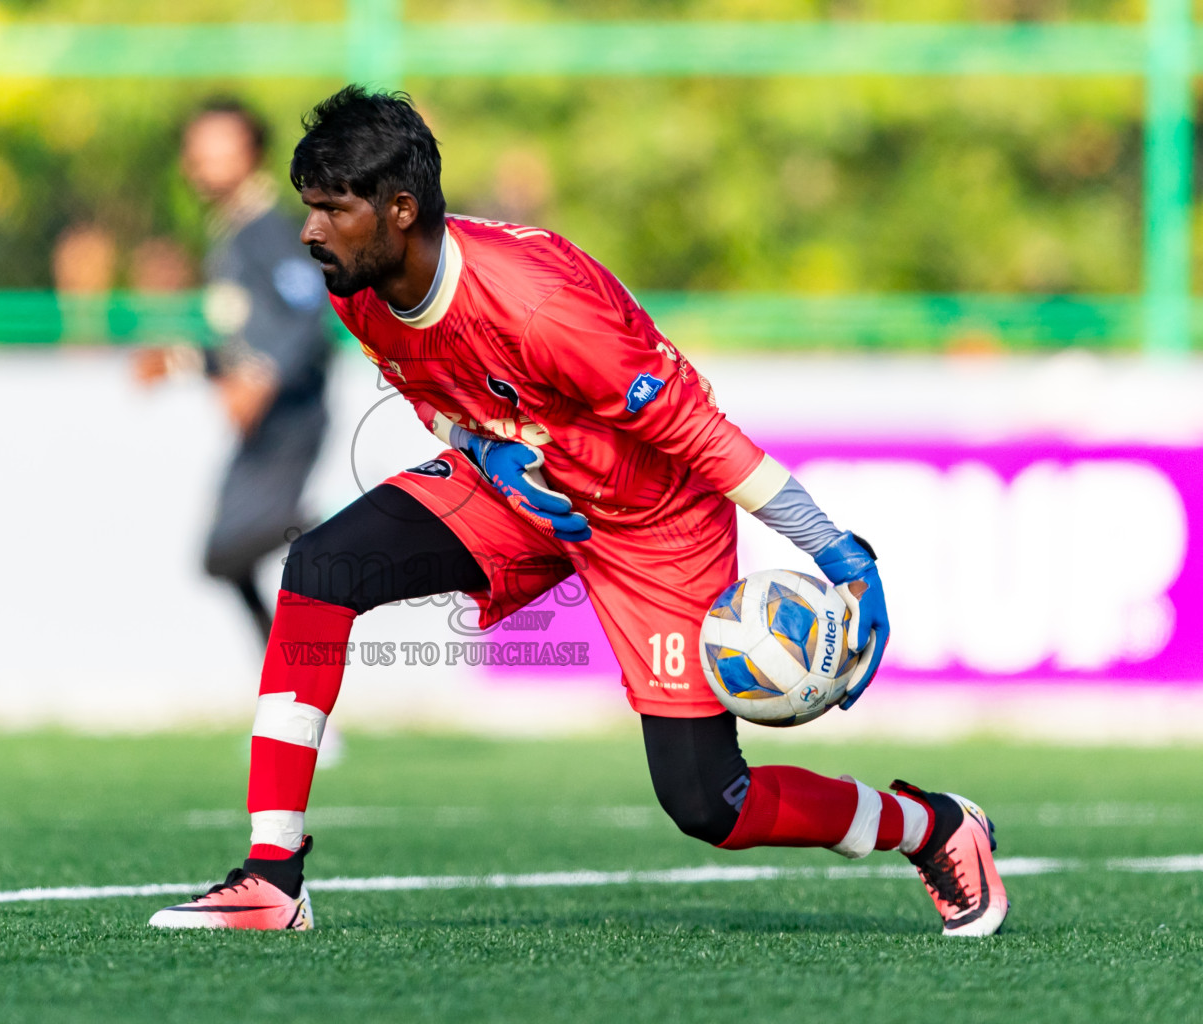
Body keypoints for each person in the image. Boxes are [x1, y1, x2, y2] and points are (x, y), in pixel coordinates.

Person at [147, 86, 1009, 937]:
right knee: (319, 571)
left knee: (711, 804)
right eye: (308, 208)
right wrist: (485, 452)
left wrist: (840, 553)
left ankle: (934, 827)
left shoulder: (545, 308)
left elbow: (704, 437)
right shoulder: (354, 282)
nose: (309, 231)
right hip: (522, 489)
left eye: (331, 209)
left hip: (657, 521)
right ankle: (272, 879)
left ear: (400, 209)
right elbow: (432, 394)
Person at [133, 98, 333, 644]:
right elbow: (246, 340)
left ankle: (343, 524)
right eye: (199, 149)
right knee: (225, 560)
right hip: (262, 425)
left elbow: (308, 310)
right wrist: (181, 360)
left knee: (229, 550)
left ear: (253, 153)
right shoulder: (233, 230)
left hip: (288, 418)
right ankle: (288, 688)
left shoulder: (265, 227)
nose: (206, 160)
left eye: (221, 147)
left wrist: (262, 377)